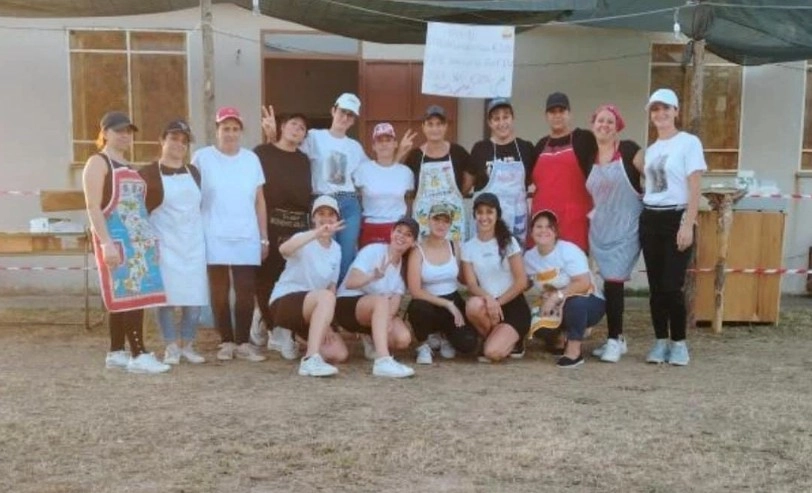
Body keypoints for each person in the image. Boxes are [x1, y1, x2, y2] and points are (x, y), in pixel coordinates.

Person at [82, 111, 169, 374]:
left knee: (125, 296)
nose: (124, 135)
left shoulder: (128, 166)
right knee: (133, 296)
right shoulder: (98, 163)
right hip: (117, 240)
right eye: (118, 130)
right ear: (104, 133)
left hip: (137, 242)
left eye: (128, 131)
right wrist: (106, 243)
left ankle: (117, 351)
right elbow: (93, 207)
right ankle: (139, 354)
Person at [193, 106, 268, 363]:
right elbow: (192, 196)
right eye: (226, 128)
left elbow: (259, 201)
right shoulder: (202, 158)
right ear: (217, 130)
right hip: (213, 232)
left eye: (235, 129)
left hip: (246, 234)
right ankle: (225, 341)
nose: (231, 133)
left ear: (241, 132)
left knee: (245, 290)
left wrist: (263, 237)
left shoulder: (251, 159)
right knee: (219, 291)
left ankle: (243, 342)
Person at [640, 88, 706, 367]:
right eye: (655, 109)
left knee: (671, 285)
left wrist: (688, 223)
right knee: (656, 287)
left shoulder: (688, 143)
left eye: (666, 108)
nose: (661, 114)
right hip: (650, 218)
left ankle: (678, 342)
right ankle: (660, 340)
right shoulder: (652, 149)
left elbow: (695, 186)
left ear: (676, 111)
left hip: (676, 217)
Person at [140, 120, 207, 365]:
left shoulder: (194, 173)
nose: (179, 144)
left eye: (184, 141)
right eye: (174, 139)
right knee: (167, 300)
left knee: (194, 299)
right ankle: (170, 346)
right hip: (165, 244)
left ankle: (187, 345)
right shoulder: (147, 174)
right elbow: (140, 212)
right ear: (162, 140)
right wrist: (149, 242)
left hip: (193, 244)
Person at [585, 104, 645, 363]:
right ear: (593, 125)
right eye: (600, 120)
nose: (604, 125)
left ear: (617, 127)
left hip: (626, 228)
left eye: (610, 121)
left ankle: (613, 339)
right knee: (608, 286)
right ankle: (618, 340)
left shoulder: (629, 150)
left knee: (614, 282)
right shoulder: (589, 156)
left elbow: (654, 175)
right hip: (601, 229)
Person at [252, 112, 313, 360]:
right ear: (282, 127)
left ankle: (274, 322)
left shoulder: (304, 160)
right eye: (293, 124)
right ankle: (274, 330)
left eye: (302, 128)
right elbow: (257, 193)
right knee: (266, 277)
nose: (297, 129)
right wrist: (262, 234)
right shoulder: (261, 153)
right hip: (271, 223)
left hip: (297, 226)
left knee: (290, 278)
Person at [268, 195, 349, 377]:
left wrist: (327, 324)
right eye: (321, 214)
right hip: (286, 301)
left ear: (337, 219)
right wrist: (316, 233)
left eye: (331, 214)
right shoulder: (303, 238)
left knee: (339, 354)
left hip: (315, 307)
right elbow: (284, 249)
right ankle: (310, 359)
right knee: (326, 297)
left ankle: (293, 336)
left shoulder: (336, 249)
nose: (326, 219)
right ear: (313, 218)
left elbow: (331, 286)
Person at [334, 217, 418, 378]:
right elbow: (350, 282)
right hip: (349, 304)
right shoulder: (373, 251)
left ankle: (371, 337)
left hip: (378, 311)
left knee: (403, 339)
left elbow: (395, 302)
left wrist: (388, 319)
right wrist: (372, 276)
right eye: (399, 231)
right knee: (381, 301)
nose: (401, 236)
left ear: (413, 242)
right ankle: (383, 361)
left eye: (408, 235)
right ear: (391, 233)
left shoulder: (404, 268)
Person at [524, 210, 605, 369]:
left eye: (549, 227)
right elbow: (524, 283)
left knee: (574, 304)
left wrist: (556, 296)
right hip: (555, 306)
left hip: (589, 301)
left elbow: (583, 283)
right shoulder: (529, 258)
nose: (543, 230)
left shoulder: (569, 250)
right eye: (538, 226)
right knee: (535, 319)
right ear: (531, 231)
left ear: (556, 232)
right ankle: (559, 339)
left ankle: (574, 351)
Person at [299, 93, 368, 283]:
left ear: (353, 120)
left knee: (347, 254)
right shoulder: (314, 136)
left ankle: (342, 297)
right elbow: (291, 153)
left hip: (349, 202)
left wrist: (398, 155)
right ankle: (325, 296)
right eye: (342, 112)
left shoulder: (355, 147)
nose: (345, 118)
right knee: (326, 251)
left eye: (350, 115)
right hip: (324, 202)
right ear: (333, 111)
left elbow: (369, 174)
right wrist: (272, 135)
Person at [461, 193, 530, 362]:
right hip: (488, 305)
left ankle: (515, 341)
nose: (484, 217)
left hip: (513, 305)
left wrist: (498, 302)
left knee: (492, 353)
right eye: (480, 212)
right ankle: (492, 338)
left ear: (497, 215)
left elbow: (522, 281)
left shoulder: (509, 242)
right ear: (474, 215)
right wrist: (489, 299)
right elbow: (471, 285)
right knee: (473, 305)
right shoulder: (468, 247)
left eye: (489, 212)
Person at [406, 203, 479, 364]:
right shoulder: (417, 251)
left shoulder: (455, 246)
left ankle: (445, 335)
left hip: (452, 298)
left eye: (445, 221)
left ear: (450, 224)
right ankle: (424, 343)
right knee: (419, 308)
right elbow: (415, 290)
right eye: (436, 219)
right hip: (427, 301)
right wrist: (447, 304)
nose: (440, 225)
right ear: (428, 220)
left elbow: (463, 278)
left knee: (468, 344)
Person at [530, 92, 598, 251]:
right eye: (552, 112)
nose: (557, 115)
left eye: (561, 111)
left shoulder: (584, 139)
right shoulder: (539, 146)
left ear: (569, 114)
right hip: (544, 225)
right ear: (546, 116)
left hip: (574, 223)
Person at [405, 105, 476, 242]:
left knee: (454, 252)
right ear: (423, 127)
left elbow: (470, 176)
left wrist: (456, 196)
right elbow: (407, 187)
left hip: (453, 219)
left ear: (446, 126)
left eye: (439, 124)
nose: (435, 129)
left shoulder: (458, 152)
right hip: (424, 219)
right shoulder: (415, 156)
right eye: (430, 124)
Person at [469, 98, 536, 241]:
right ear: (489, 123)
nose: (501, 123)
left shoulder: (526, 148)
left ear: (513, 118)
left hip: (517, 222)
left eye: (505, 117)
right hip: (487, 222)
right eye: (496, 119)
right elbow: (467, 185)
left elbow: (534, 183)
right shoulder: (480, 149)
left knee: (515, 254)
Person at [356, 123, 415, 247]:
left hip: (398, 226)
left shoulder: (406, 172)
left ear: (395, 144)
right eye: (379, 140)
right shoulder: (363, 170)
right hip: (371, 225)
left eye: (388, 140)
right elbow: (355, 197)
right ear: (373, 146)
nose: (384, 144)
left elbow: (410, 200)